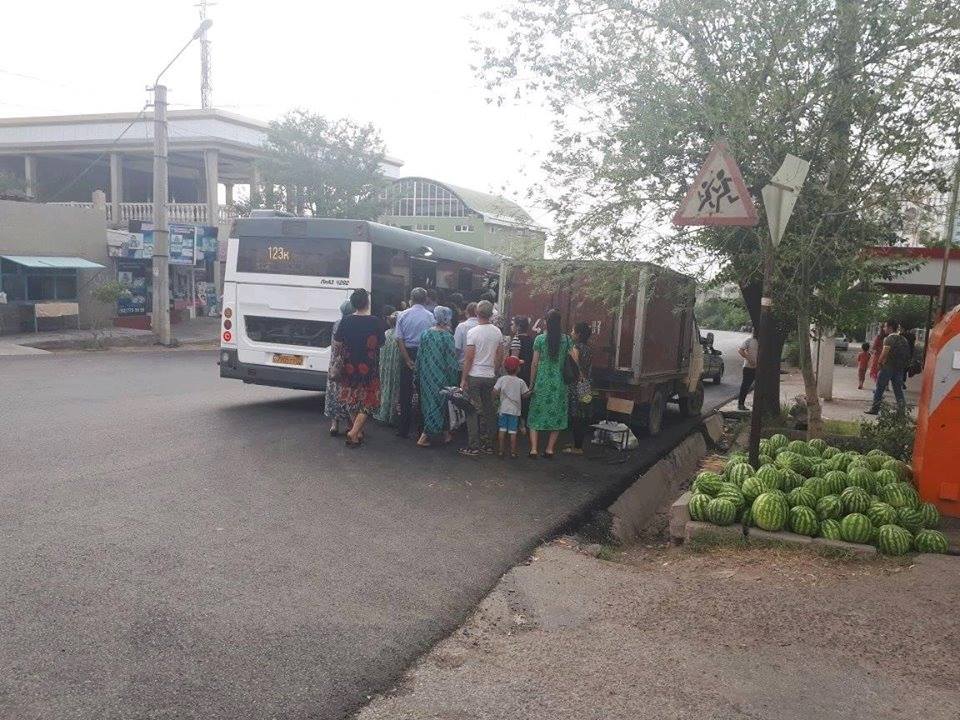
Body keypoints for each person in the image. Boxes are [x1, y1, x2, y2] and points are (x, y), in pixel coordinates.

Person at [333, 288, 385, 447]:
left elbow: (337, 343)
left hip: (349, 366)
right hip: (369, 367)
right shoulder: (375, 321)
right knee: (369, 401)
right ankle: (354, 432)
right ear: (367, 303)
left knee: (350, 398)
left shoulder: (346, 321)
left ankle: (356, 432)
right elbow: (381, 343)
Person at [459, 300, 504, 457]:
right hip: (489, 375)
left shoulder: (473, 332)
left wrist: (463, 378)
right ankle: (488, 444)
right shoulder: (497, 332)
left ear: (477, 313)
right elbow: (500, 355)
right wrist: (494, 370)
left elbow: (469, 358)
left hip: (474, 375)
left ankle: (474, 446)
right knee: (489, 410)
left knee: (472, 410)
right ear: (491, 314)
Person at [527, 309, 574, 458]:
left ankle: (534, 449)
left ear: (546, 322)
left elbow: (534, 364)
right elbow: (573, 359)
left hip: (541, 382)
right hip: (560, 384)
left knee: (535, 413)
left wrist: (531, 384)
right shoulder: (567, 340)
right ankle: (549, 449)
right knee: (557, 414)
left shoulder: (540, 339)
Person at [415, 306, 461, 447]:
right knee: (438, 405)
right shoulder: (447, 337)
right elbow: (451, 361)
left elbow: (419, 356)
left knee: (431, 403)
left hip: (426, 375)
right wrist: (454, 381)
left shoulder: (425, 334)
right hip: (441, 376)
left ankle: (446, 435)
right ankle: (423, 437)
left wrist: (417, 374)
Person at [394, 287, 435, 438]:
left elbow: (399, 339)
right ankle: (422, 429)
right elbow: (431, 340)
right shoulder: (431, 317)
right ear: (425, 299)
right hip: (424, 354)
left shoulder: (403, 315)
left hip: (407, 352)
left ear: (411, 298)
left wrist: (407, 359)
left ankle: (403, 429)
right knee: (423, 391)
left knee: (405, 392)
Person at [866, 319, 910, 415]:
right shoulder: (904, 339)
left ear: (890, 328)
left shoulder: (888, 339)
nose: (884, 328)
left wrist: (879, 363)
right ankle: (902, 411)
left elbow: (885, 352)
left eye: (885, 326)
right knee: (898, 390)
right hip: (899, 367)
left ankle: (875, 408)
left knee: (880, 388)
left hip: (888, 366)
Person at [564, 321, 594, 455]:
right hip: (586, 384)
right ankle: (577, 443)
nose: (571, 333)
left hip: (577, 385)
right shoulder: (588, 349)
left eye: (573, 331)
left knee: (576, 416)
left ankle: (577, 447)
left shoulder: (575, 348)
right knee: (583, 413)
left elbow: (575, 366)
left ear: (579, 334)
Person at [324, 300, 354, 436]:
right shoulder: (351, 324)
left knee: (334, 393)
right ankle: (349, 424)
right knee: (347, 394)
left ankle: (334, 425)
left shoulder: (336, 323)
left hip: (335, 364)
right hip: (347, 363)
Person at [494, 355, 530, 458]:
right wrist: (531, 392)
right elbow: (525, 395)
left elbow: (494, 391)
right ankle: (513, 452)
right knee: (513, 432)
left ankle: (501, 451)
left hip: (503, 409)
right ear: (518, 369)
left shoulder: (502, 379)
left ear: (505, 368)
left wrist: (498, 396)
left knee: (502, 430)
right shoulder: (520, 382)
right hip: (515, 411)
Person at [374, 310, 401, 426]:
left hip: (384, 365)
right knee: (394, 389)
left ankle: (382, 412)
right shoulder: (400, 335)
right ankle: (392, 414)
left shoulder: (385, 334)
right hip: (396, 365)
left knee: (384, 386)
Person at [509, 316, 535, 432]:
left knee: (516, 398)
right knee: (525, 397)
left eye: (513, 324)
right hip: (528, 372)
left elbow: (514, 359)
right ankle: (524, 423)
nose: (511, 326)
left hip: (518, 372)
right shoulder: (532, 340)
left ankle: (516, 423)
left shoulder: (516, 340)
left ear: (518, 327)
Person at [737, 330, 759, 411]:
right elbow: (740, 350)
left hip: (760, 368)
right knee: (745, 387)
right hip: (749, 367)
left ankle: (757, 405)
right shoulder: (749, 340)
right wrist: (749, 359)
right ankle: (741, 404)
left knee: (759, 387)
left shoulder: (765, 341)